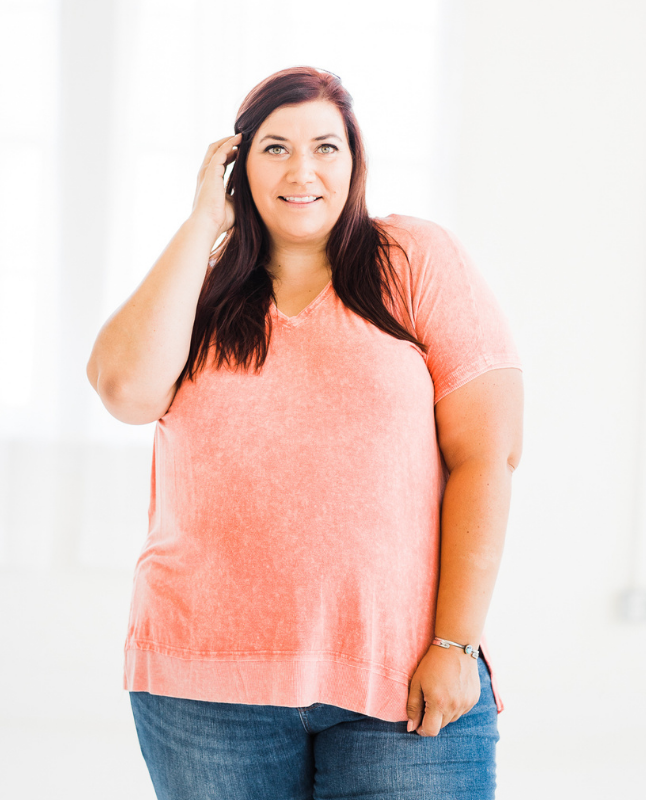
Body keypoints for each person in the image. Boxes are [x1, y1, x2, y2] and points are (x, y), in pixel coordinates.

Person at [87, 66, 524, 800]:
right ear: (237, 166)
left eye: (325, 147)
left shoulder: (412, 259)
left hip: (399, 677)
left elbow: (487, 453)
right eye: (275, 148)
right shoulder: (199, 286)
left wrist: (456, 642)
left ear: (354, 162)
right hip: (206, 688)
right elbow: (125, 392)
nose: (302, 171)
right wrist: (202, 223)